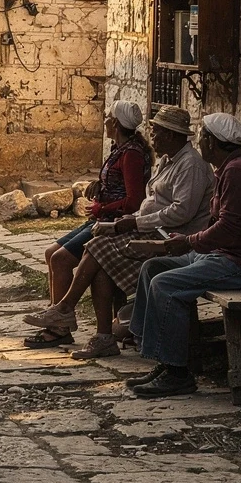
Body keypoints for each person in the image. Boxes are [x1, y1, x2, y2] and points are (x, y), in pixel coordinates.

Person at [26, 107, 213, 358]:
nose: (153, 138)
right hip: (152, 228)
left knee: (96, 247)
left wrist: (133, 223)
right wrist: (129, 220)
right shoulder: (169, 161)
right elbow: (151, 204)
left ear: (171, 135)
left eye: (157, 133)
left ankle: (66, 308)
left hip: (173, 238)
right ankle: (102, 337)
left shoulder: (191, 165)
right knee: (100, 264)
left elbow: (181, 213)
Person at [124, 112, 241, 398]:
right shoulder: (230, 168)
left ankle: (177, 373)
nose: (198, 142)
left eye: (202, 137)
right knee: (153, 267)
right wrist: (187, 240)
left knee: (165, 284)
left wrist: (190, 242)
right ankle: (161, 356)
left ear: (212, 141)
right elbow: (221, 224)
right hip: (226, 255)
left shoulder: (238, 172)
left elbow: (228, 229)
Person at [26, 101, 149, 348]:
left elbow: (134, 200)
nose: (104, 120)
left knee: (61, 259)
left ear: (115, 123)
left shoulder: (131, 154)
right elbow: (119, 185)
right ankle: (57, 318)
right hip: (100, 217)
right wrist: (99, 187)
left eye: (107, 117)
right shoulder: (119, 148)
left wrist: (102, 208)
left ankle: (60, 324)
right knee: (51, 253)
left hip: (112, 223)